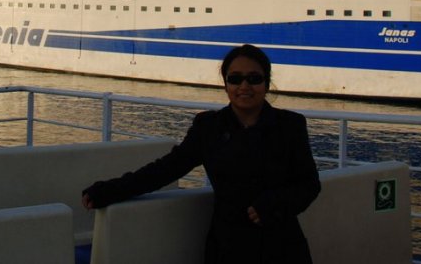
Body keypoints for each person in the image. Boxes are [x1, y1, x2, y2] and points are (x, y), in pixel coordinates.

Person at [82, 44, 321, 263]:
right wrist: (111, 190)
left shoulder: (290, 125)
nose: (244, 86)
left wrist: (276, 204)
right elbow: (168, 168)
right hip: (229, 246)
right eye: (235, 79)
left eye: (254, 78)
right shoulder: (209, 127)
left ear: (266, 83)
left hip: (281, 246)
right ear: (225, 84)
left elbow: (309, 184)